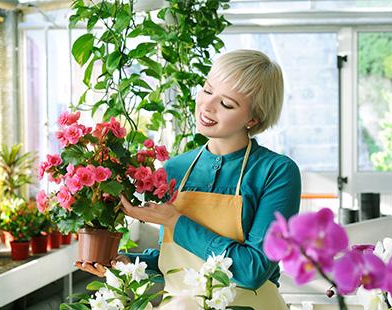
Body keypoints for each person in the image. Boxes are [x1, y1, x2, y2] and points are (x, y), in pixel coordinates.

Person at [76, 49, 301, 309]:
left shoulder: (277, 172)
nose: (207, 105)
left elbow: (252, 271)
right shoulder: (176, 169)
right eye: (207, 90)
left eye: (226, 104)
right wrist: (129, 264)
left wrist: (175, 220)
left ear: (253, 118)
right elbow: (175, 259)